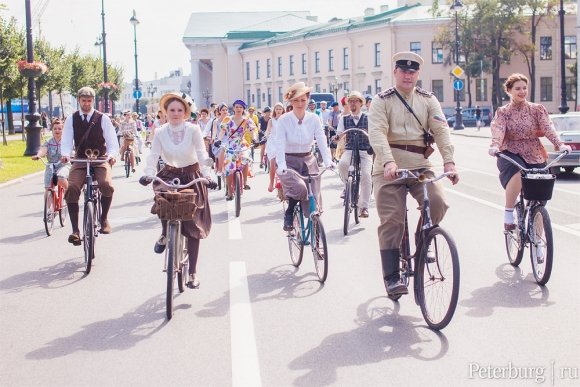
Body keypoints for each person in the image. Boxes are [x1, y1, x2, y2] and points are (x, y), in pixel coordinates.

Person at [368, 52, 458, 297]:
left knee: (438, 203)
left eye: (413, 72)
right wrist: (387, 161)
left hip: (420, 166)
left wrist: (449, 161)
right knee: (392, 220)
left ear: (418, 74)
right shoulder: (381, 100)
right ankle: (392, 277)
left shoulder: (428, 100)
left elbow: (441, 130)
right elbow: (376, 132)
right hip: (389, 170)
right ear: (395, 72)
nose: (408, 75)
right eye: (403, 71)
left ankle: (423, 241)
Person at [140, 92, 216, 288]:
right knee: (163, 201)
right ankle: (166, 233)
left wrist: (208, 176)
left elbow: (201, 154)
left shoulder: (193, 130)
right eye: (171, 110)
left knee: (192, 224)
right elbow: (153, 155)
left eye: (179, 110)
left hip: (191, 176)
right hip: (168, 174)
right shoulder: (160, 132)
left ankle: (192, 273)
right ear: (165, 112)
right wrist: (148, 173)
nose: (175, 113)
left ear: (186, 112)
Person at [488, 73, 571, 231]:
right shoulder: (503, 112)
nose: (522, 91)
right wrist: (495, 146)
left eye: (524, 88)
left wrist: (560, 144)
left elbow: (548, 127)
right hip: (510, 151)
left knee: (540, 195)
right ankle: (508, 213)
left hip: (534, 152)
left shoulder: (537, 109)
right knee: (519, 171)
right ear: (509, 90)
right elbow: (498, 129)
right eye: (518, 88)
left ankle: (539, 242)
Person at [61, 86, 119, 245]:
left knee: (106, 185)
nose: (86, 104)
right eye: (83, 100)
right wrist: (66, 155)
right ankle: (75, 231)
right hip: (80, 160)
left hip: (100, 159)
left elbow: (112, 143)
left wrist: (112, 156)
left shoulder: (103, 118)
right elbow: (66, 141)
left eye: (89, 101)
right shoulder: (72, 118)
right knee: (72, 188)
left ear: (93, 101)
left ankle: (104, 218)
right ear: (78, 100)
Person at [274, 82, 333, 231]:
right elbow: (279, 143)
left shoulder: (313, 118)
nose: (300, 104)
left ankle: (316, 231)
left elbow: (321, 139)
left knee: (313, 196)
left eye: (303, 100)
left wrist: (328, 160)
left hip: (308, 160)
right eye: (296, 100)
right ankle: (289, 211)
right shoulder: (284, 120)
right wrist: (281, 164)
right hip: (289, 160)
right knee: (300, 188)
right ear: (291, 101)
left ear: (308, 100)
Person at [335, 91, 372, 218]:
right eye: (350, 101)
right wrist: (336, 137)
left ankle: (364, 207)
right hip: (349, 149)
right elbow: (340, 133)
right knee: (342, 164)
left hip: (364, 151)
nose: (352, 103)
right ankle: (348, 186)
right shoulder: (344, 119)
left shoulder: (368, 118)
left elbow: (374, 133)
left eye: (355, 101)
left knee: (367, 175)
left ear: (361, 103)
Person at [216, 99, 256, 199]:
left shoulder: (247, 120)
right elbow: (222, 132)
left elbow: (252, 131)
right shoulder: (227, 119)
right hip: (230, 144)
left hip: (242, 143)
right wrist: (219, 140)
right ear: (233, 108)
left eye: (240, 107)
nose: (238, 109)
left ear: (243, 109)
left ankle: (245, 182)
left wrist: (255, 139)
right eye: (236, 107)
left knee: (245, 158)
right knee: (229, 167)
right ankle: (229, 191)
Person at [31, 117, 71, 193]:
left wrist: (67, 157)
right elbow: (43, 150)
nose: (57, 130)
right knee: (47, 188)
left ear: (63, 130)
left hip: (64, 165)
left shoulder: (66, 141)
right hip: (51, 166)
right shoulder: (48, 141)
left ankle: (69, 194)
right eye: (55, 128)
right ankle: (47, 204)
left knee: (61, 177)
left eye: (59, 129)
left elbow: (71, 152)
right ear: (52, 130)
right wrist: (38, 155)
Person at [265, 102, 285, 192]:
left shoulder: (286, 119)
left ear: (283, 110)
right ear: (274, 110)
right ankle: (271, 182)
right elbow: (268, 130)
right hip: (272, 142)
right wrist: (265, 136)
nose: (278, 110)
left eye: (280, 109)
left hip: (283, 142)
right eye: (276, 109)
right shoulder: (271, 120)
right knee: (272, 161)